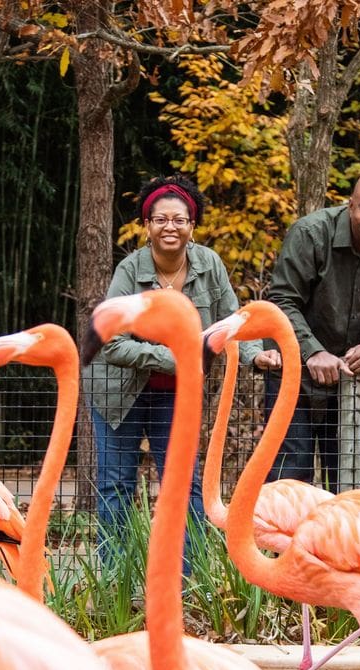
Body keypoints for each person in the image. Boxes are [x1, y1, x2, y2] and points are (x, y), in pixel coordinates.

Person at [83, 173, 262, 573]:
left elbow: (231, 318)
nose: (170, 227)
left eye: (179, 219)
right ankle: (114, 579)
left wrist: (254, 355)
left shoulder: (209, 265)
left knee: (184, 484)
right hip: (118, 391)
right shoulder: (130, 271)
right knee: (117, 485)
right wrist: (179, 357)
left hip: (177, 395)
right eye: (161, 219)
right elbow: (112, 343)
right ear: (147, 226)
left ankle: (191, 579)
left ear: (191, 226)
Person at [257, 171, 360, 494]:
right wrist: (312, 351)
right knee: (292, 474)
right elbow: (283, 300)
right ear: (349, 205)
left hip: (351, 378)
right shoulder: (311, 234)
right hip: (293, 371)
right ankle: (282, 546)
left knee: (346, 475)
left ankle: (334, 547)